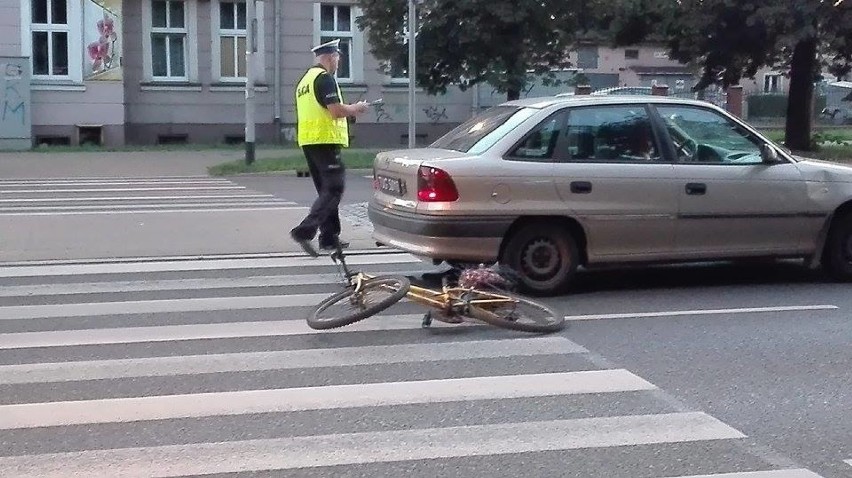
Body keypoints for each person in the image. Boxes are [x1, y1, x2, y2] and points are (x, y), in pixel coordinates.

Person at [290, 38, 370, 257]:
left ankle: (329, 237)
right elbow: (335, 111)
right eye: (337, 57)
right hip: (324, 140)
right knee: (334, 188)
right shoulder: (325, 79)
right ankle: (305, 230)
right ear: (329, 57)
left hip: (309, 141)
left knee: (326, 190)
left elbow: (319, 110)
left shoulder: (305, 80)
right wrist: (356, 108)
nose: (338, 62)